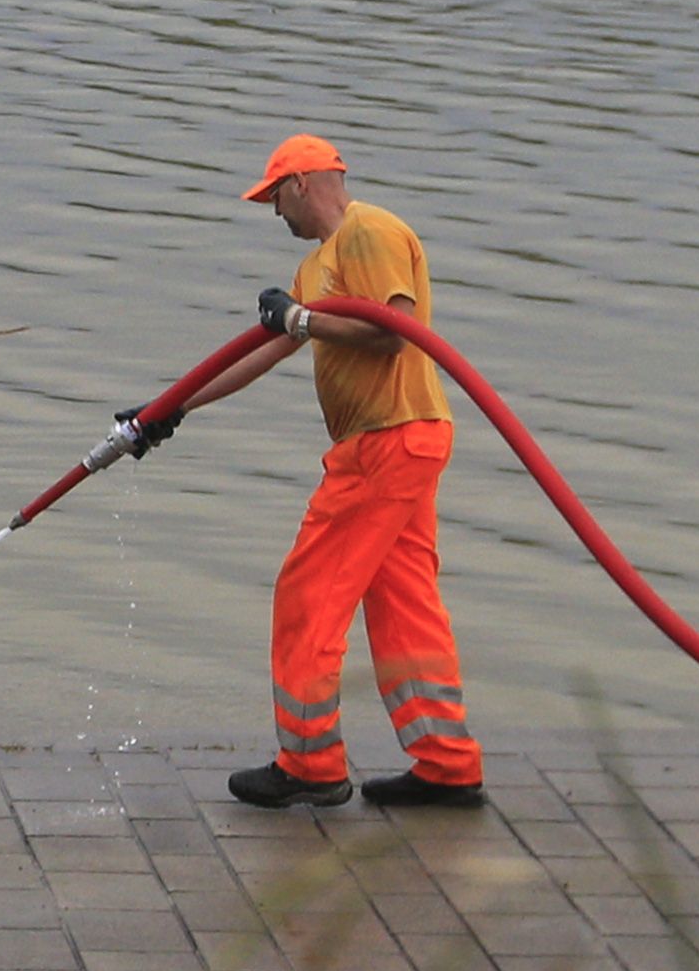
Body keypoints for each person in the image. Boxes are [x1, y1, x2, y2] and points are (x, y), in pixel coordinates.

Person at [179, 134, 486, 811]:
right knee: (404, 605)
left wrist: (303, 320)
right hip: (400, 441)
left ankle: (310, 761)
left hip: (386, 442)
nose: (273, 212)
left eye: (273, 197)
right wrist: (171, 408)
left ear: (301, 183)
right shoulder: (316, 266)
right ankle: (447, 763)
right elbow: (265, 349)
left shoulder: (367, 231)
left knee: (308, 592)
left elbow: (394, 330)